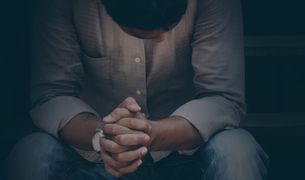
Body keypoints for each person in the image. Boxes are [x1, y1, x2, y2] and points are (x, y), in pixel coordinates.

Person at [7, 0, 269, 179]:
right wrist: (103, 137)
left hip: (187, 153)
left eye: (170, 24)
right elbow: (52, 94)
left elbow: (222, 97)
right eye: (143, 31)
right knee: (30, 153)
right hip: (91, 155)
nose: (161, 39)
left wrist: (151, 134)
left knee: (237, 150)